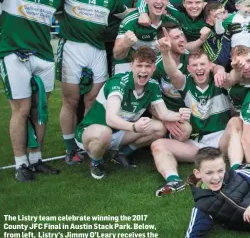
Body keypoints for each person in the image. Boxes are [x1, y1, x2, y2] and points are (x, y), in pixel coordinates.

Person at [0, 0, 64, 181]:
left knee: (40, 110)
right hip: (14, 54)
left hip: (45, 56)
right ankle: (20, 164)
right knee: (21, 110)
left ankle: (36, 159)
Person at [55, 0, 128, 166]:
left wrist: (145, 12)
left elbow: (124, 13)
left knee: (92, 101)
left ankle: (84, 143)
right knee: (70, 100)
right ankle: (69, 149)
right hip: (72, 48)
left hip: (97, 49)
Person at [75, 47, 190, 179]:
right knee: (104, 132)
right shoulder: (118, 82)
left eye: (148, 66)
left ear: (153, 68)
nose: (143, 70)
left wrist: (179, 115)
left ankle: (122, 153)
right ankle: (96, 162)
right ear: (131, 66)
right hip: (92, 132)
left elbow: (163, 114)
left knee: (159, 128)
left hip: (118, 132)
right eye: (139, 65)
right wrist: (134, 127)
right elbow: (111, 119)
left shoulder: (152, 85)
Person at [151, 44, 245, 197]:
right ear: (189, 69)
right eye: (194, 65)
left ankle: (236, 170)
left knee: (235, 121)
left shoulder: (219, 79)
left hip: (221, 139)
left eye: (202, 64)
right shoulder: (184, 82)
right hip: (197, 144)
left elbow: (233, 78)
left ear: (210, 66)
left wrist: (237, 69)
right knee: (158, 145)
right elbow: (172, 71)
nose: (198, 68)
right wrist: (164, 52)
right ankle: (174, 181)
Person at [113, 0, 178, 74]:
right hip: (128, 63)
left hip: (155, 64)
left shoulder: (172, 22)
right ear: (146, 0)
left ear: (167, 1)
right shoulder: (130, 20)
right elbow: (117, 55)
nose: (159, 1)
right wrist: (125, 43)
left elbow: (181, 50)